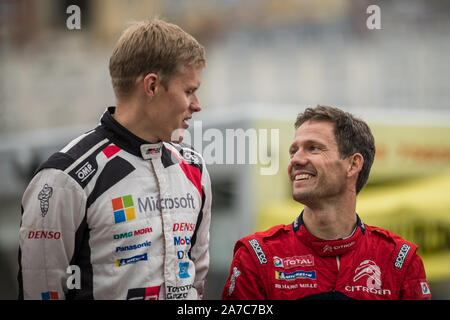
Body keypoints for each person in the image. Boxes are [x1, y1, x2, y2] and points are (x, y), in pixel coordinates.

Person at [18, 19, 212, 300]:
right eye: (189, 91)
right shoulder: (64, 179)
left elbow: (197, 281)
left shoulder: (194, 169)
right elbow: (40, 292)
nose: (197, 105)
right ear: (152, 86)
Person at [222, 105, 431, 300]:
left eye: (313, 148)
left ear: (353, 164)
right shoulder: (257, 256)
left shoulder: (400, 260)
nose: (296, 160)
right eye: (293, 151)